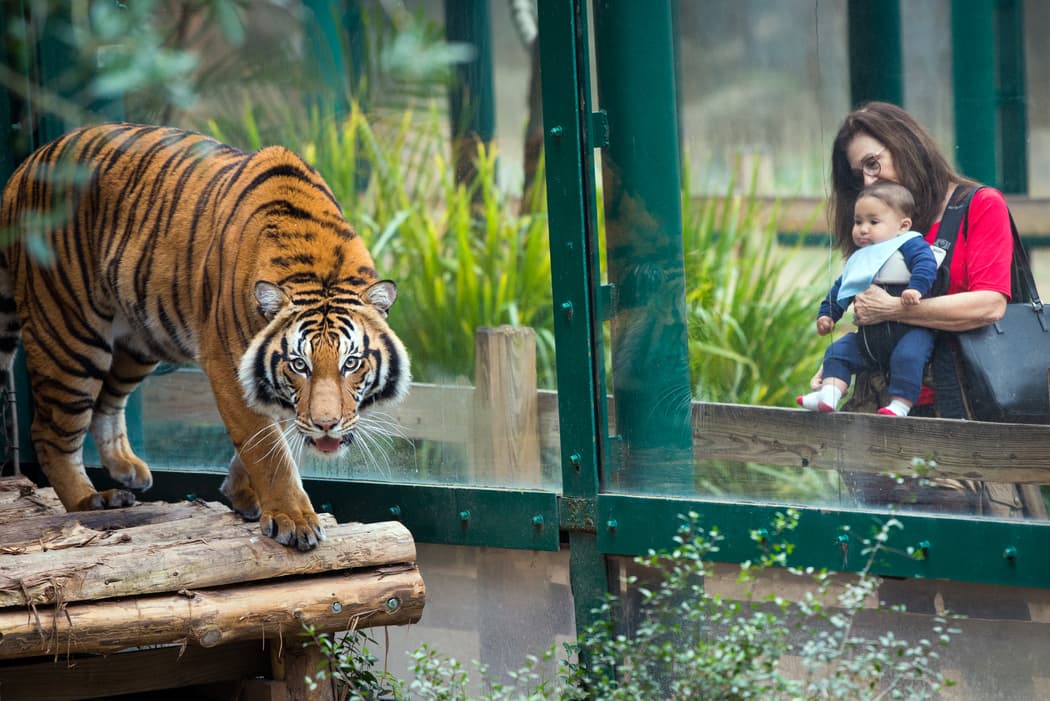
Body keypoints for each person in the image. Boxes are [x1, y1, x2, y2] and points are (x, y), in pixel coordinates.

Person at [819, 100, 1043, 518]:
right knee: (890, 565)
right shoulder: (877, 223)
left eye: (873, 163)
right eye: (859, 174)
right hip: (879, 417)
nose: (869, 179)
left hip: (961, 416)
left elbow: (990, 304)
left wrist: (894, 310)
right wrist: (839, 364)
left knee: (971, 561)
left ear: (906, 145)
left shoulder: (979, 204)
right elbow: (865, 311)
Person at [797, 182, 938, 417]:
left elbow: (926, 264)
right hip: (869, 340)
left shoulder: (910, 244)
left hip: (909, 331)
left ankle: (900, 405)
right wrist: (828, 314)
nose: (863, 229)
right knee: (837, 350)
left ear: (903, 225)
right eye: (858, 221)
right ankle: (829, 394)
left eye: (873, 222)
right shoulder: (860, 258)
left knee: (908, 357)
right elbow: (842, 288)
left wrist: (916, 289)